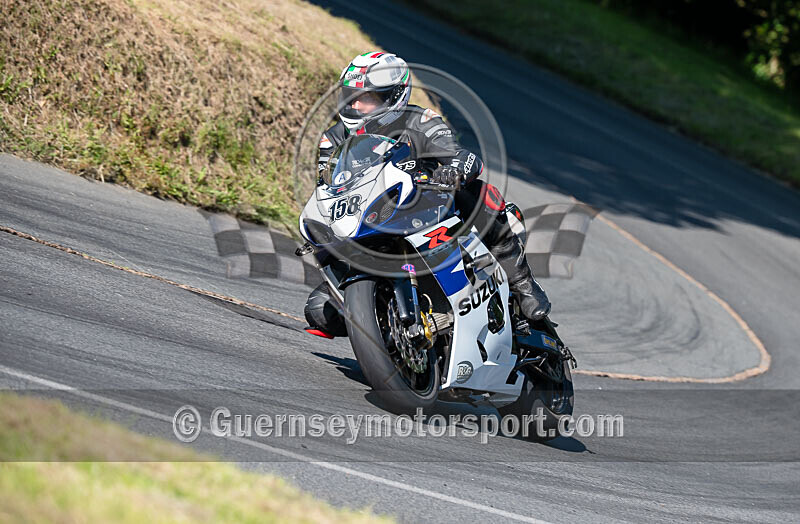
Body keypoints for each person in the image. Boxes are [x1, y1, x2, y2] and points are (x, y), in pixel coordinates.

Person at [305, 51, 550, 335]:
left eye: (367, 98)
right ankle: (391, 337)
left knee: (481, 193)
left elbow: (459, 155)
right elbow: (327, 185)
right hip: (369, 223)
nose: (356, 105)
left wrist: (454, 169)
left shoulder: (419, 121)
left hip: (424, 210)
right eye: (351, 97)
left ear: (394, 96)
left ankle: (523, 284)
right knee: (319, 310)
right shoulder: (333, 139)